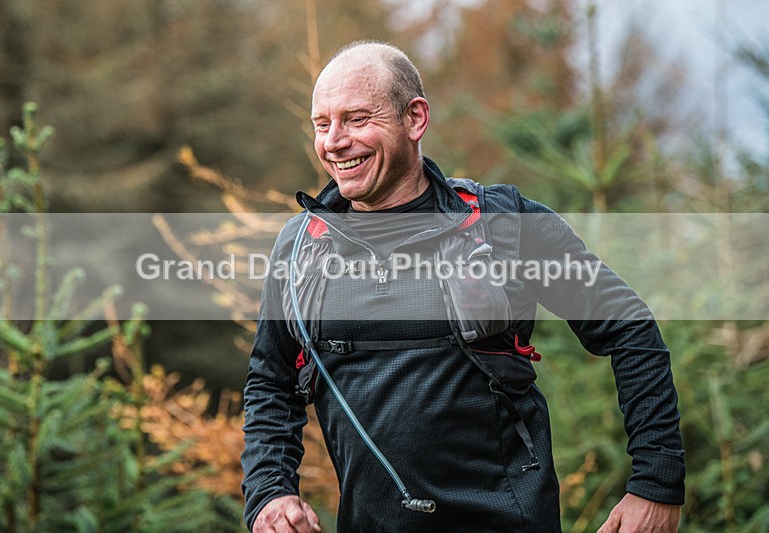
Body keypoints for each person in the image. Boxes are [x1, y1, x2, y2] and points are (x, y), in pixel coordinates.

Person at [241, 40, 684, 532]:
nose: (334, 141)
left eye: (358, 119)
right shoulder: (303, 247)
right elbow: (271, 382)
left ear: (415, 118)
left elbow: (630, 329)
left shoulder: (503, 224)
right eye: (322, 125)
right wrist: (270, 492)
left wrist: (656, 484)